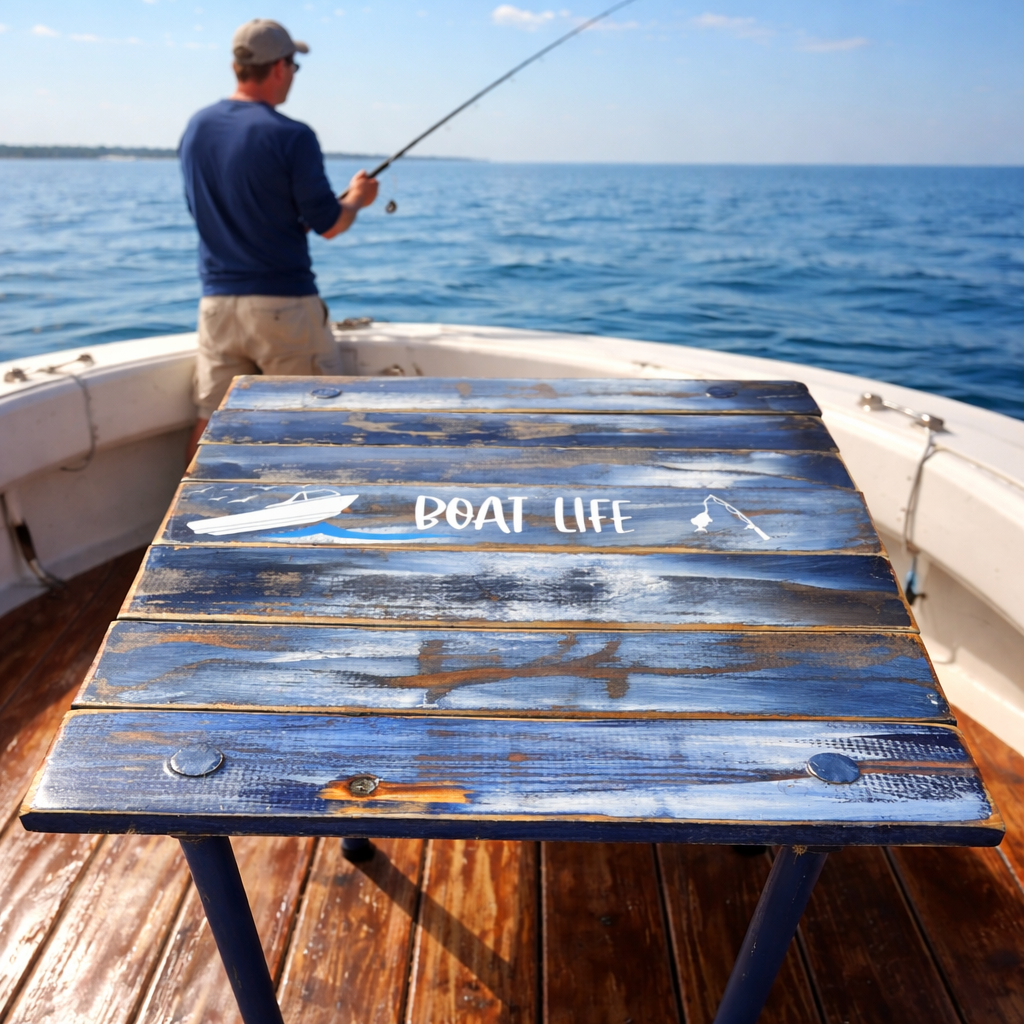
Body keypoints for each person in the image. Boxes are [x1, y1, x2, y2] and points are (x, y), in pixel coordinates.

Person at [179, 18, 378, 460]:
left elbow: (219, 214)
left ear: (237, 67)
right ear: (278, 68)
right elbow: (330, 224)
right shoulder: (293, 136)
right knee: (316, 423)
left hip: (216, 310)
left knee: (212, 423)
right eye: (293, 65)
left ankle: (184, 523)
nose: (292, 75)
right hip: (284, 309)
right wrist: (357, 200)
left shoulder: (196, 129)